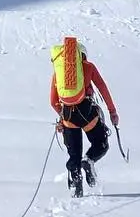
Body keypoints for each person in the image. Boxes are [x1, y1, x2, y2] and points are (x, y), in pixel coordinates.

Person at [49, 35, 119, 196]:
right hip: (87, 111)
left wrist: (62, 115)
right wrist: (112, 112)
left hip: (68, 115)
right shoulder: (88, 67)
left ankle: (76, 189)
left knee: (74, 155)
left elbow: (53, 101)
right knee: (101, 143)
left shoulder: (58, 75)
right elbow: (103, 88)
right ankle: (89, 160)